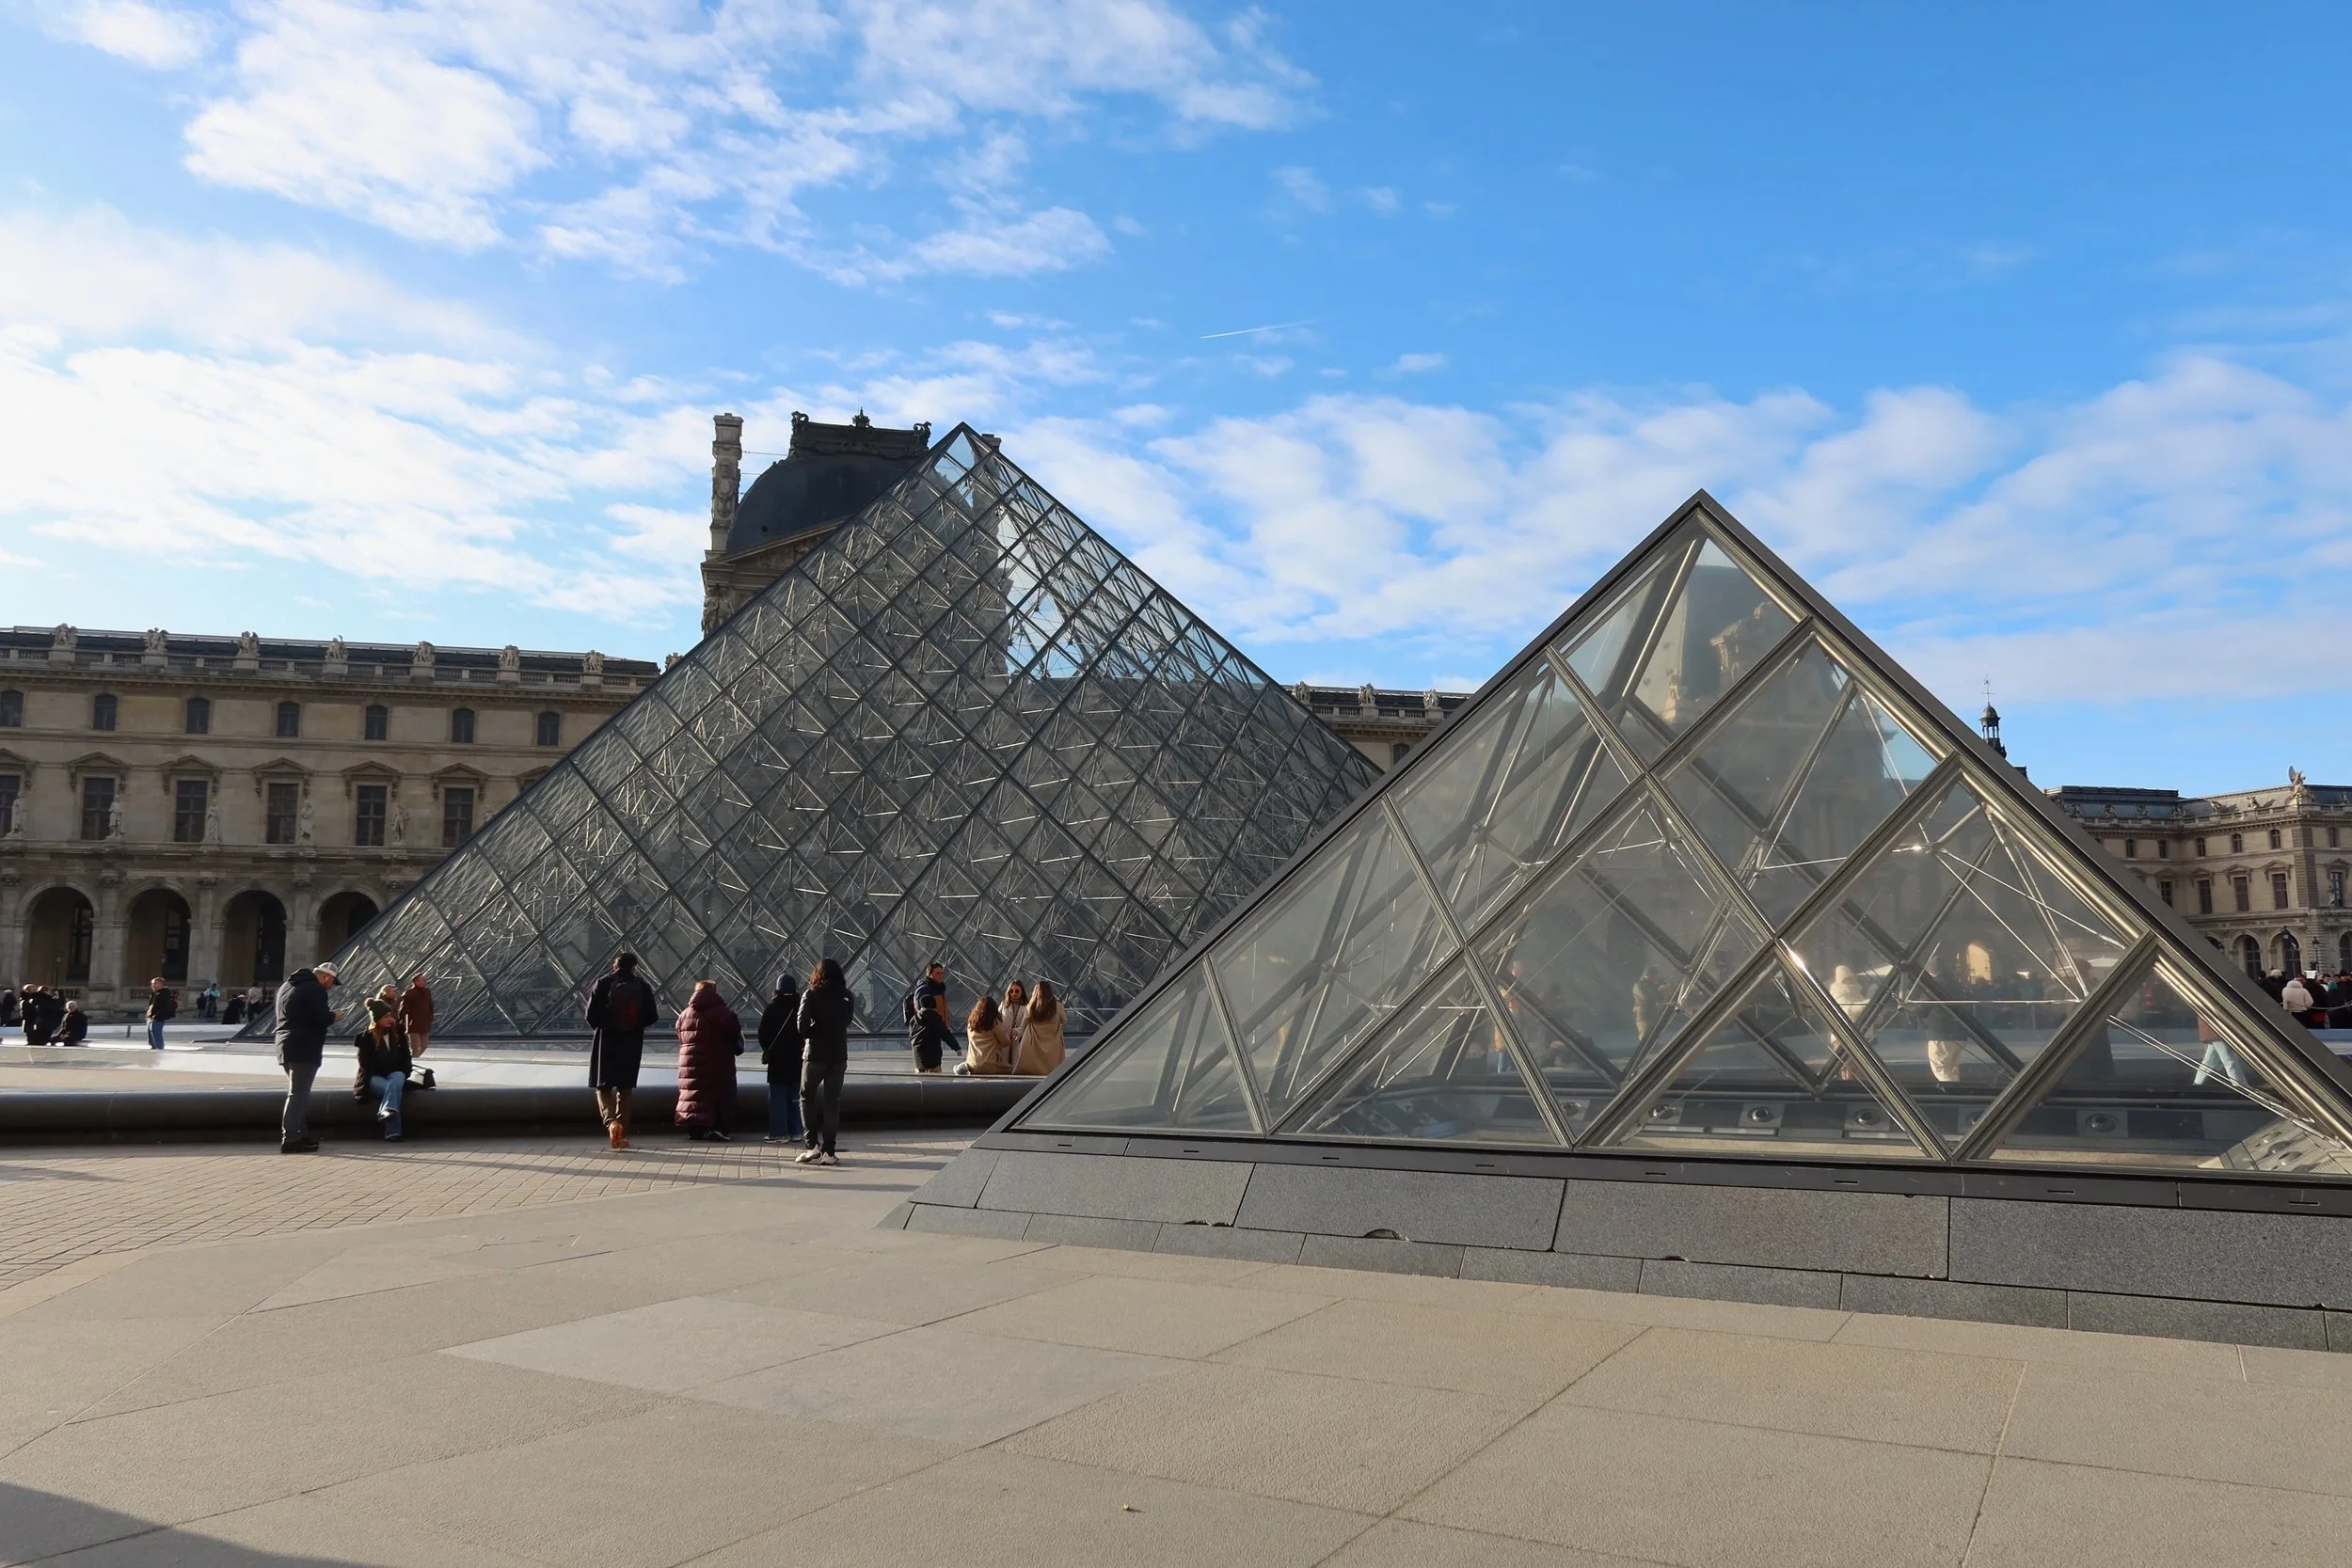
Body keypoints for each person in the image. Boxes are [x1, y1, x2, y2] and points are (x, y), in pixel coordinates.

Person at [585, 954, 658, 1150]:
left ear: (614, 966)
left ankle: (611, 1123)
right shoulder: (642, 986)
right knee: (625, 1089)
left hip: (606, 1040)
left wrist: (606, 1025)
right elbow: (652, 1016)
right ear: (634, 967)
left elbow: (590, 1015)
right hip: (631, 1042)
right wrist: (633, 1025)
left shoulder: (603, 982)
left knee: (603, 1086)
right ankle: (621, 1133)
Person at [273, 961, 340, 1154]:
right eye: (332, 982)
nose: (331, 986)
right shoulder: (315, 989)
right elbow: (320, 1018)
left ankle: (300, 1134)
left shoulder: (287, 986)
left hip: (285, 1044)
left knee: (298, 1093)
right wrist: (334, 1016)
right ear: (327, 977)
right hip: (304, 1046)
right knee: (298, 1095)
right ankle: (291, 1138)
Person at [796, 958, 853, 1165]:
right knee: (832, 1102)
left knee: (806, 1096)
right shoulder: (847, 996)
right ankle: (829, 1152)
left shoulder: (811, 994)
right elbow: (847, 1021)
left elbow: (801, 1026)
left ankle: (812, 1146)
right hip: (838, 1055)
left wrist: (816, 1031)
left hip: (815, 1055)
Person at [674, 981, 742, 1141]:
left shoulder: (684, 1014)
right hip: (717, 1061)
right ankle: (719, 1128)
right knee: (720, 1094)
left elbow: (679, 1033)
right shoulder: (722, 1012)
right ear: (714, 992)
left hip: (690, 1064)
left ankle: (694, 1129)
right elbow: (734, 1029)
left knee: (693, 1094)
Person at [352, 996, 412, 1141]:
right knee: (392, 1090)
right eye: (386, 1017)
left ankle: (386, 1111)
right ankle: (393, 1132)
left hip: (394, 1076)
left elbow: (406, 1060)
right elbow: (366, 1065)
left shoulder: (399, 1034)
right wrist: (388, 1070)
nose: (390, 1019)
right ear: (377, 1019)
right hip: (373, 1078)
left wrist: (399, 1072)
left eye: (391, 1015)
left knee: (397, 1077)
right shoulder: (366, 1038)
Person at [757, 973, 805, 1144]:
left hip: (778, 1060)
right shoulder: (801, 1007)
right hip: (798, 1059)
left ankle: (779, 1133)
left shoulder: (772, 1008)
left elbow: (762, 1034)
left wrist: (769, 1049)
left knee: (777, 1098)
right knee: (795, 1098)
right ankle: (796, 1131)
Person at [1013, 979, 1066, 1075]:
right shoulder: (1058, 1007)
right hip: (1054, 1046)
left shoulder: (1030, 1007)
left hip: (1033, 1045)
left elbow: (1023, 1026)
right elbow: (1064, 1021)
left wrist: (1016, 1032)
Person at [908, 959, 951, 1074]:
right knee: (931, 1059)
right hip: (929, 1029)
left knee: (935, 1055)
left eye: (942, 973)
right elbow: (920, 1010)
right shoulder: (925, 989)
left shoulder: (938, 988)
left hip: (936, 1027)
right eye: (938, 973)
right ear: (929, 974)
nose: (941, 975)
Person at [962, 993, 1012, 1075]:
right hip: (991, 1065)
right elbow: (1005, 1042)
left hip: (972, 1064)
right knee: (1013, 1070)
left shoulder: (971, 1023)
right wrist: (1006, 1032)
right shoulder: (994, 1023)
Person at [143, 978, 177, 1051]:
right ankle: (153, 1046)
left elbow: (163, 1007)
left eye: (154, 983)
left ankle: (159, 1047)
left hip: (158, 1016)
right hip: (151, 1016)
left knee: (156, 1033)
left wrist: (157, 1015)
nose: (152, 985)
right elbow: (151, 1005)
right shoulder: (155, 993)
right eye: (152, 984)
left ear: (160, 984)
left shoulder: (165, 993)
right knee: (150, 1033)